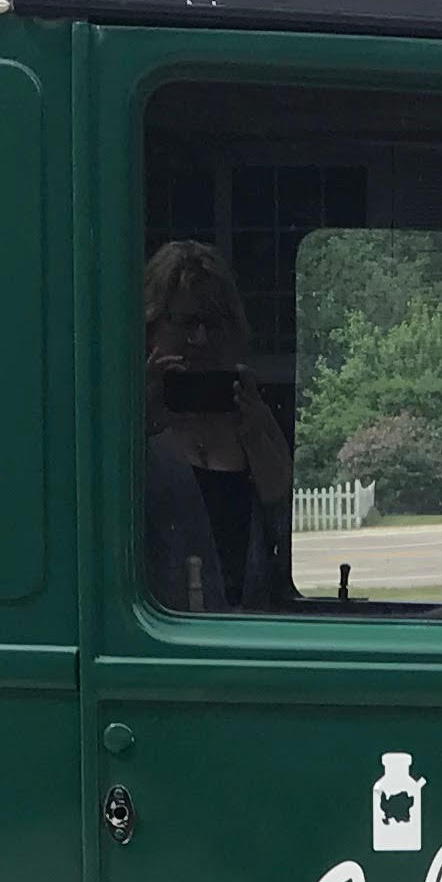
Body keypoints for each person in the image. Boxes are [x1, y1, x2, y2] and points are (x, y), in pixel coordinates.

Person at [140, 239, 292, 610]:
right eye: (186, 323)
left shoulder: (253, 418)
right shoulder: (121, 421)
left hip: (246, 627)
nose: (201, 340)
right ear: (152, 326)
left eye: (213, 322)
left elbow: (286, 536)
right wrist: (140, 419)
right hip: (162, 629)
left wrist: (257, 439)